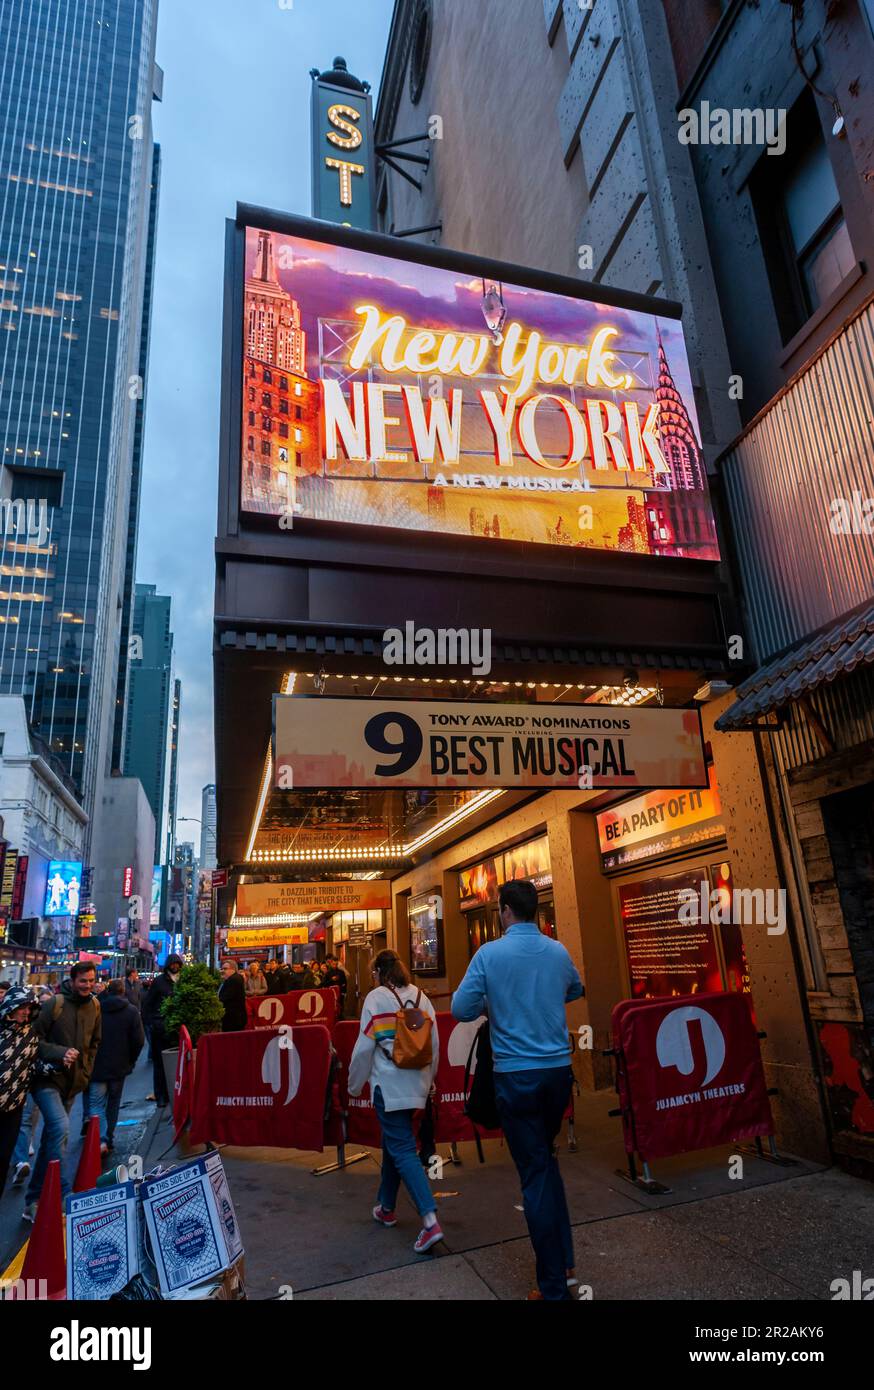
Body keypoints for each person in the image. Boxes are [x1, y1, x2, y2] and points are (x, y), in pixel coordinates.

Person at [452, 878, 584, 1301]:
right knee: (545, 1160)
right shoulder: (557, 950)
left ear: (505, 911)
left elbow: (460, 1009)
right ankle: (563, 1264)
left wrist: (495, 1000)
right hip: (558, 1073)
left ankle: (552, 1287)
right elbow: (576, 988)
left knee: (534, 1175)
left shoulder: (489, 954)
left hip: (516, 1076)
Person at [348, 949, 442, 1254]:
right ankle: (386, 1206)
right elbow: (435, 1044)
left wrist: (353, 1085)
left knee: (401, 1148)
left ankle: (429, 1221)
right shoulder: (420, 997)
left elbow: (364, 1049)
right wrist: (429, 1081)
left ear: (378, 973)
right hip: (416, 1084)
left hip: (387, 1086)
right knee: (394, 1144)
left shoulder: (375, 999)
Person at [23, 962, 102, 1218]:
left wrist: (85, 1070)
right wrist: (60, 1053)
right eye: (83, 981)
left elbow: (94, 1043)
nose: (87, 985)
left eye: (91, 981)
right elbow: (33, 1039)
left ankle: (34, 1198)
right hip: (46, 1079)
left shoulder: (95, 1006)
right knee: (61, 1128)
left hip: (72, 1083)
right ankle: (62, 1192)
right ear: (72, 980)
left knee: (52, 1139)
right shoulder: (54, 1004)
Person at [0, 987, 72, 1197]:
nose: (25, 1012)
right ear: (10, 1006)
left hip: (13, 1110)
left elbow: (32, 1068)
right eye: (22, 1007)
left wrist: (59, 1065)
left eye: (29, 1008)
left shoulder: (29, 1036)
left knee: (3, 1160)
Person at [88, 979, 144, 1154]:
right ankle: (108, 1138)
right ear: (123, 992)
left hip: (98, 1064)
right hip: (120, 1065)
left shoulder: (96, 1010)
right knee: (113, 1103)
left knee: (96, 1104)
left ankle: (100, 1139)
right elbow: (139, 1041)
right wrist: (131, 1060)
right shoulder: (131, 1012)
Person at [141, 954, 183, 1107]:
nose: (175, 966)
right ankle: (161, 1095)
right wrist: (151, 1023)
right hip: (160, 1028)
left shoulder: (183, 980)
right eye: (173, 964)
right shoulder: (159, 981)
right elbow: (148, 1004)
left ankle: (175, 1093)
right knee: (160, 1064)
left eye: (177, 964)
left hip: (177, 1027)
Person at [218, 960, 248, 1032]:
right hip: (233, 1018)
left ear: (233, 969)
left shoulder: (234, 980)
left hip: (234, 1018)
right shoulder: (230, 979)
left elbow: (225, 997)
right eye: (222, 969)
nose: (222, 971)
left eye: (225, 969)